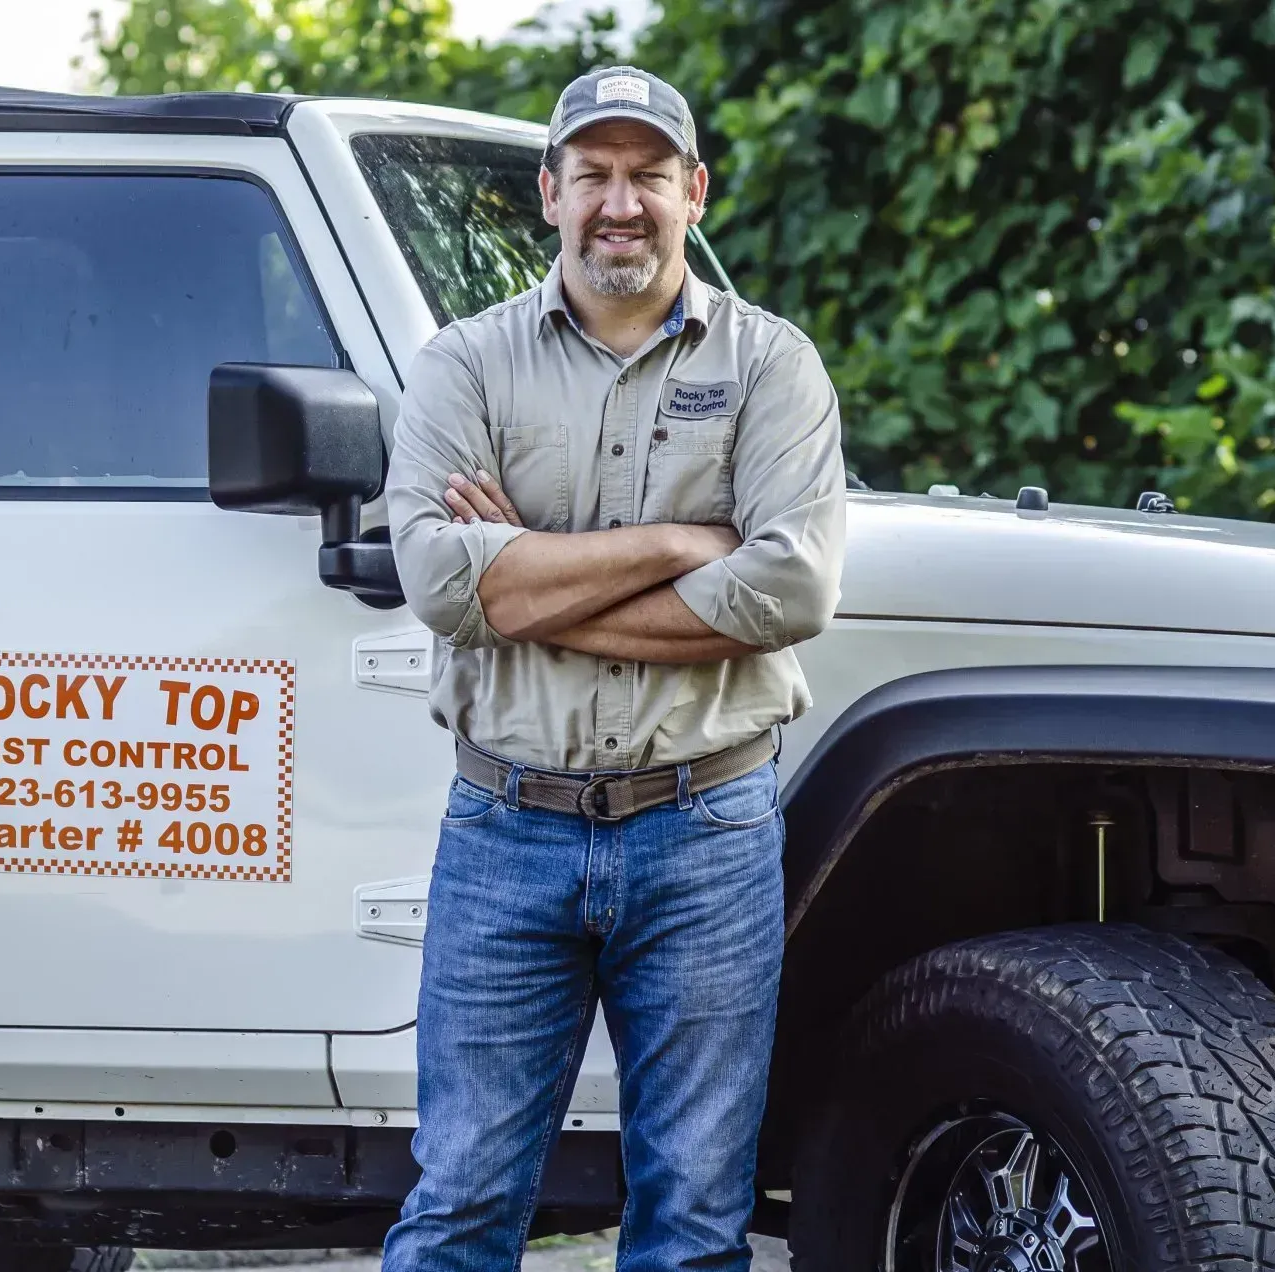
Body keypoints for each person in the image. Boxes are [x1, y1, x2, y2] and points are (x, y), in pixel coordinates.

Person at [380, 64, 846, 1272]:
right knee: (459, 1206)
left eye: (648, 175)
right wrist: (684, 546)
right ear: (550, 193)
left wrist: (524, 584)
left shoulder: (773, 367)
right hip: (505, 827)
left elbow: (790, 592)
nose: (620, 204)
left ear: (697, 191)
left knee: (692, 1224)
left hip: (706, 834)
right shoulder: (466, 365)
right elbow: (439, 583)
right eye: (593, 174)